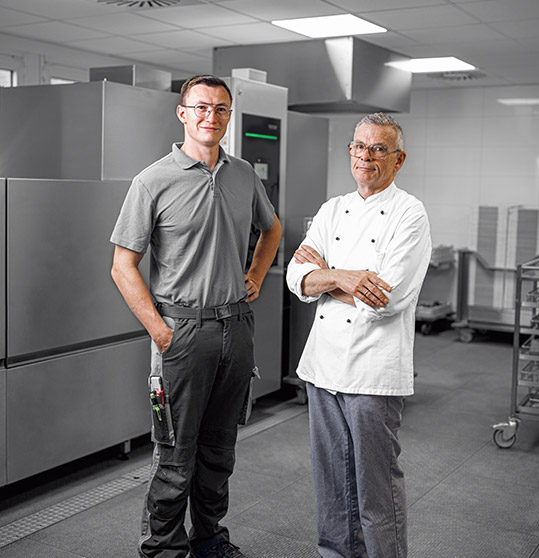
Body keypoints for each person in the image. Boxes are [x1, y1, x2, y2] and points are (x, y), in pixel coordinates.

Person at [110, 74, 282, 558]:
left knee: (219, 451)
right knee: (174, 454)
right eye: (202, 108)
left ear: (230, 116)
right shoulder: (152, 180)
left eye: (222, 109)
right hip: (182, 333)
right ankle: (164, 549)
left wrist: (255, 274)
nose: (212, 117)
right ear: (183, 113)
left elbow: (271, 230)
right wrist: (162, 333)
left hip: (236, 327)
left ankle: (209, 540)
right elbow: (123, 267)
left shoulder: (244, 174)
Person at [286, 113, 431, 558]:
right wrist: (347, 278)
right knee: (331, 484)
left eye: (378, 149)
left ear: (398, 159)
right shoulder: (332, 209)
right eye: (358, 147)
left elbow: (389, 296)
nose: (365, 156)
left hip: (372, 370)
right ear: (349, 151)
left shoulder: (410, 212)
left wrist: (325, 278)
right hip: (322, 367)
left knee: (376, 488)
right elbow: (296, 277)